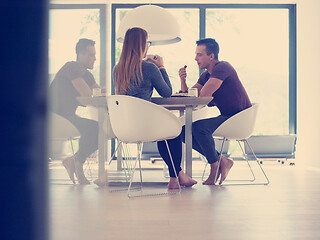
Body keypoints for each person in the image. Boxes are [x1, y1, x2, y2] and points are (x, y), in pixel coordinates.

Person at [94, 27, 197, 188]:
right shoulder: (149, 68)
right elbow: (166, 92)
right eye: (147, 42)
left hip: (123, 127)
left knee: (167, 129)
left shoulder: (117, 69)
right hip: (144, 126)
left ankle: (180, 176)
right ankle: (174, 178)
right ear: (143, 45)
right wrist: (161, 67)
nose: (148, 46)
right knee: (173, 130)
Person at [177, 38, 252, 185]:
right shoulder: (206, 75)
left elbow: (203, 96)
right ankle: (221, 160)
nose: (195, 58)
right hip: (227, 117)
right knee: (184, 132)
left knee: (200, 128)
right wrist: (183, 80)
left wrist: (196, 92)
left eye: (199, 54)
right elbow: (191, 98)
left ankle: (214, 166)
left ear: (211, 56)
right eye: (195, 54)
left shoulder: (222, 67)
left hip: (239, 118)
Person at [50, 38, 103, 184]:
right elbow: (87, 94)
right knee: (94, 128)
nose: (94, 58)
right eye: (91, 55)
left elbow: (100, 92)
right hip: (54, 117)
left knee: (100, 130)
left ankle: (74, 161)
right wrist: (97, 92)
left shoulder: (87, 75)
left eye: (94, 54)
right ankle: (77, 163)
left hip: (68, 116)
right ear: (80, 55)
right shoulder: (71, 67)